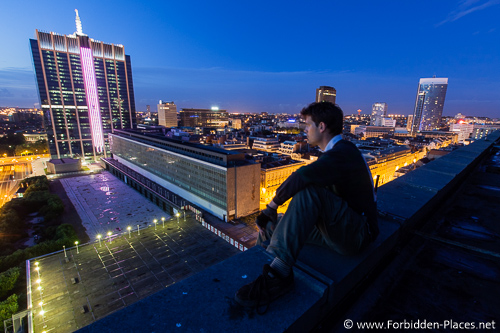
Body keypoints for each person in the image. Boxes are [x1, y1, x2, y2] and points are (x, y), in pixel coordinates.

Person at [234, 102, 378, 311]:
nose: (304, 130)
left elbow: (301, 177)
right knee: (274, 227)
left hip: (358, 233)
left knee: (308, 192)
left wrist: (270, 207)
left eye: (307, 125)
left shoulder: (343, 152)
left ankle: (279, 275)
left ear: (321, 127)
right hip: (340, 229)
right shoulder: (340, 153)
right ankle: (263, 271)